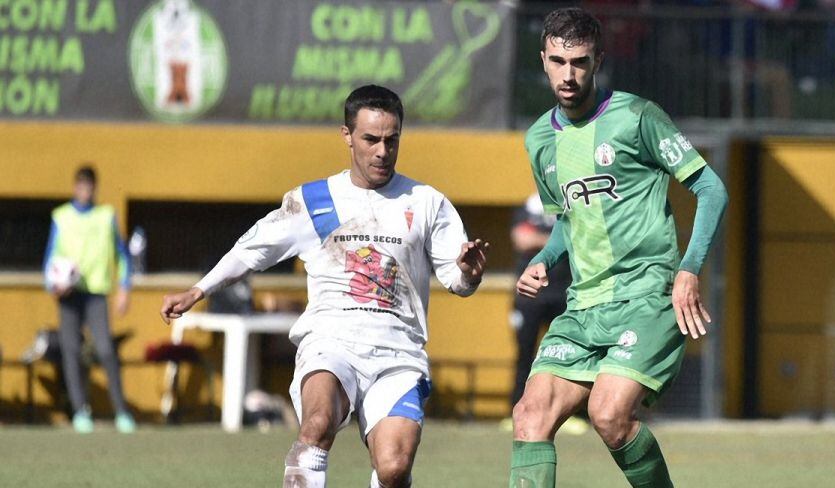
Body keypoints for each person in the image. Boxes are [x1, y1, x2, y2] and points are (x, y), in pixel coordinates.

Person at [160, 85, 489, 488]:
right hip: (331, 342)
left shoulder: (425, 201)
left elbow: (456, 278)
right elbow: (253, 249)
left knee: (394, 467)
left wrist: (469, 274)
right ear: (347, 136)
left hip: (398, 353)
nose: (382, 151)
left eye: (392, 140)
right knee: (316, 425)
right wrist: (199, 290)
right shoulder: (314, 199)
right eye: (371, 139)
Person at [510, 8, 729, 487]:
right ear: (543, 60)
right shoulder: (540, 140)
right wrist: (544, 259)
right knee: (529, 415)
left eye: (580, 62)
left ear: (598, 60)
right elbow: (570, 217)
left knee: (608, 414)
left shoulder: (636, 117)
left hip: (646, 296)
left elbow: (712, 189)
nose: (568, 75)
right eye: (558, 61)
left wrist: (689, 270)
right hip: (583, 304)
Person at [44, 165, 136, 434]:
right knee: (71, 351)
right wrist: (54, 285)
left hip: (96, 293)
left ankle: (121, 411)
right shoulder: (61, 217)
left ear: (95, 187)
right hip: (69, 296)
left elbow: (122, 254)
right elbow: (50, 257)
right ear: (75, 187)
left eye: (90, 185)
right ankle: (81, 411)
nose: (85, 190)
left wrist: (124, 288)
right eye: (81, 185)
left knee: (106, 350)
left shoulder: (106, 216)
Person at [504, 194, 584, 433]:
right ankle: (517, 410)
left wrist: (541, 239)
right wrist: (557, 240)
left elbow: (582, 238)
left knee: (569, 355)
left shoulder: (572, 201)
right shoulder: (529, 206)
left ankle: (571, 414)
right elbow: (521, 239)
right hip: (531, 296)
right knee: (525, 354)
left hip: (566, 293)